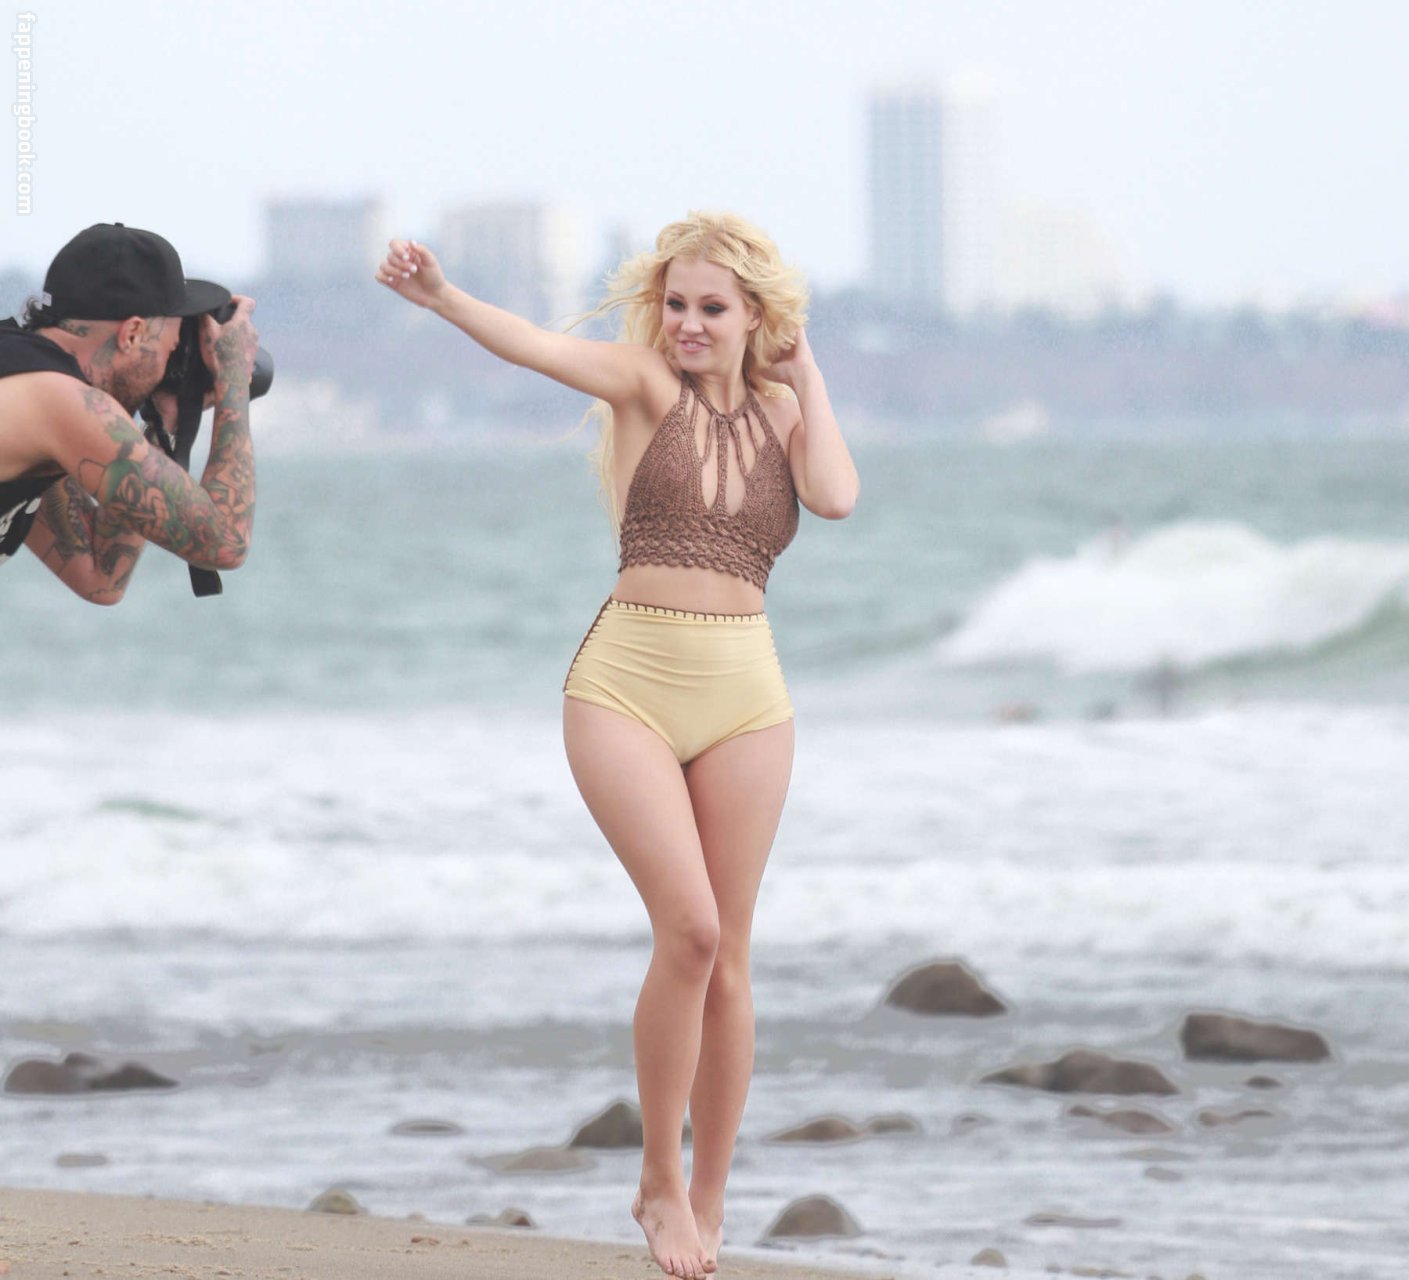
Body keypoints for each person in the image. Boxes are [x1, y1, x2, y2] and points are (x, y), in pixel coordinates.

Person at [376, 211, 858, 1280]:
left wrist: (809, 374)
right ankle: (656, 1179)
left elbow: (833, 495)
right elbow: (535, 347)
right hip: (625, 686)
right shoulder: (643, 384)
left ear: (755, 317)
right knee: (688, 931)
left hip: (747, 699)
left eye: (711, 308)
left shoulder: (785, 412)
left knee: (730, 960)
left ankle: (710, 1193)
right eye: (675, 304)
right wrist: (443, 298)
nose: (687, 324)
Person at [0, 222, 259, 602]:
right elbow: (226, 543)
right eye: (172, 344)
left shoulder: (30, 391)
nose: (171, 359)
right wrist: (233, 377)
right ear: (132, 334)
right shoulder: (61, 402)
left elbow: (100, 577)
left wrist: (165, 423)